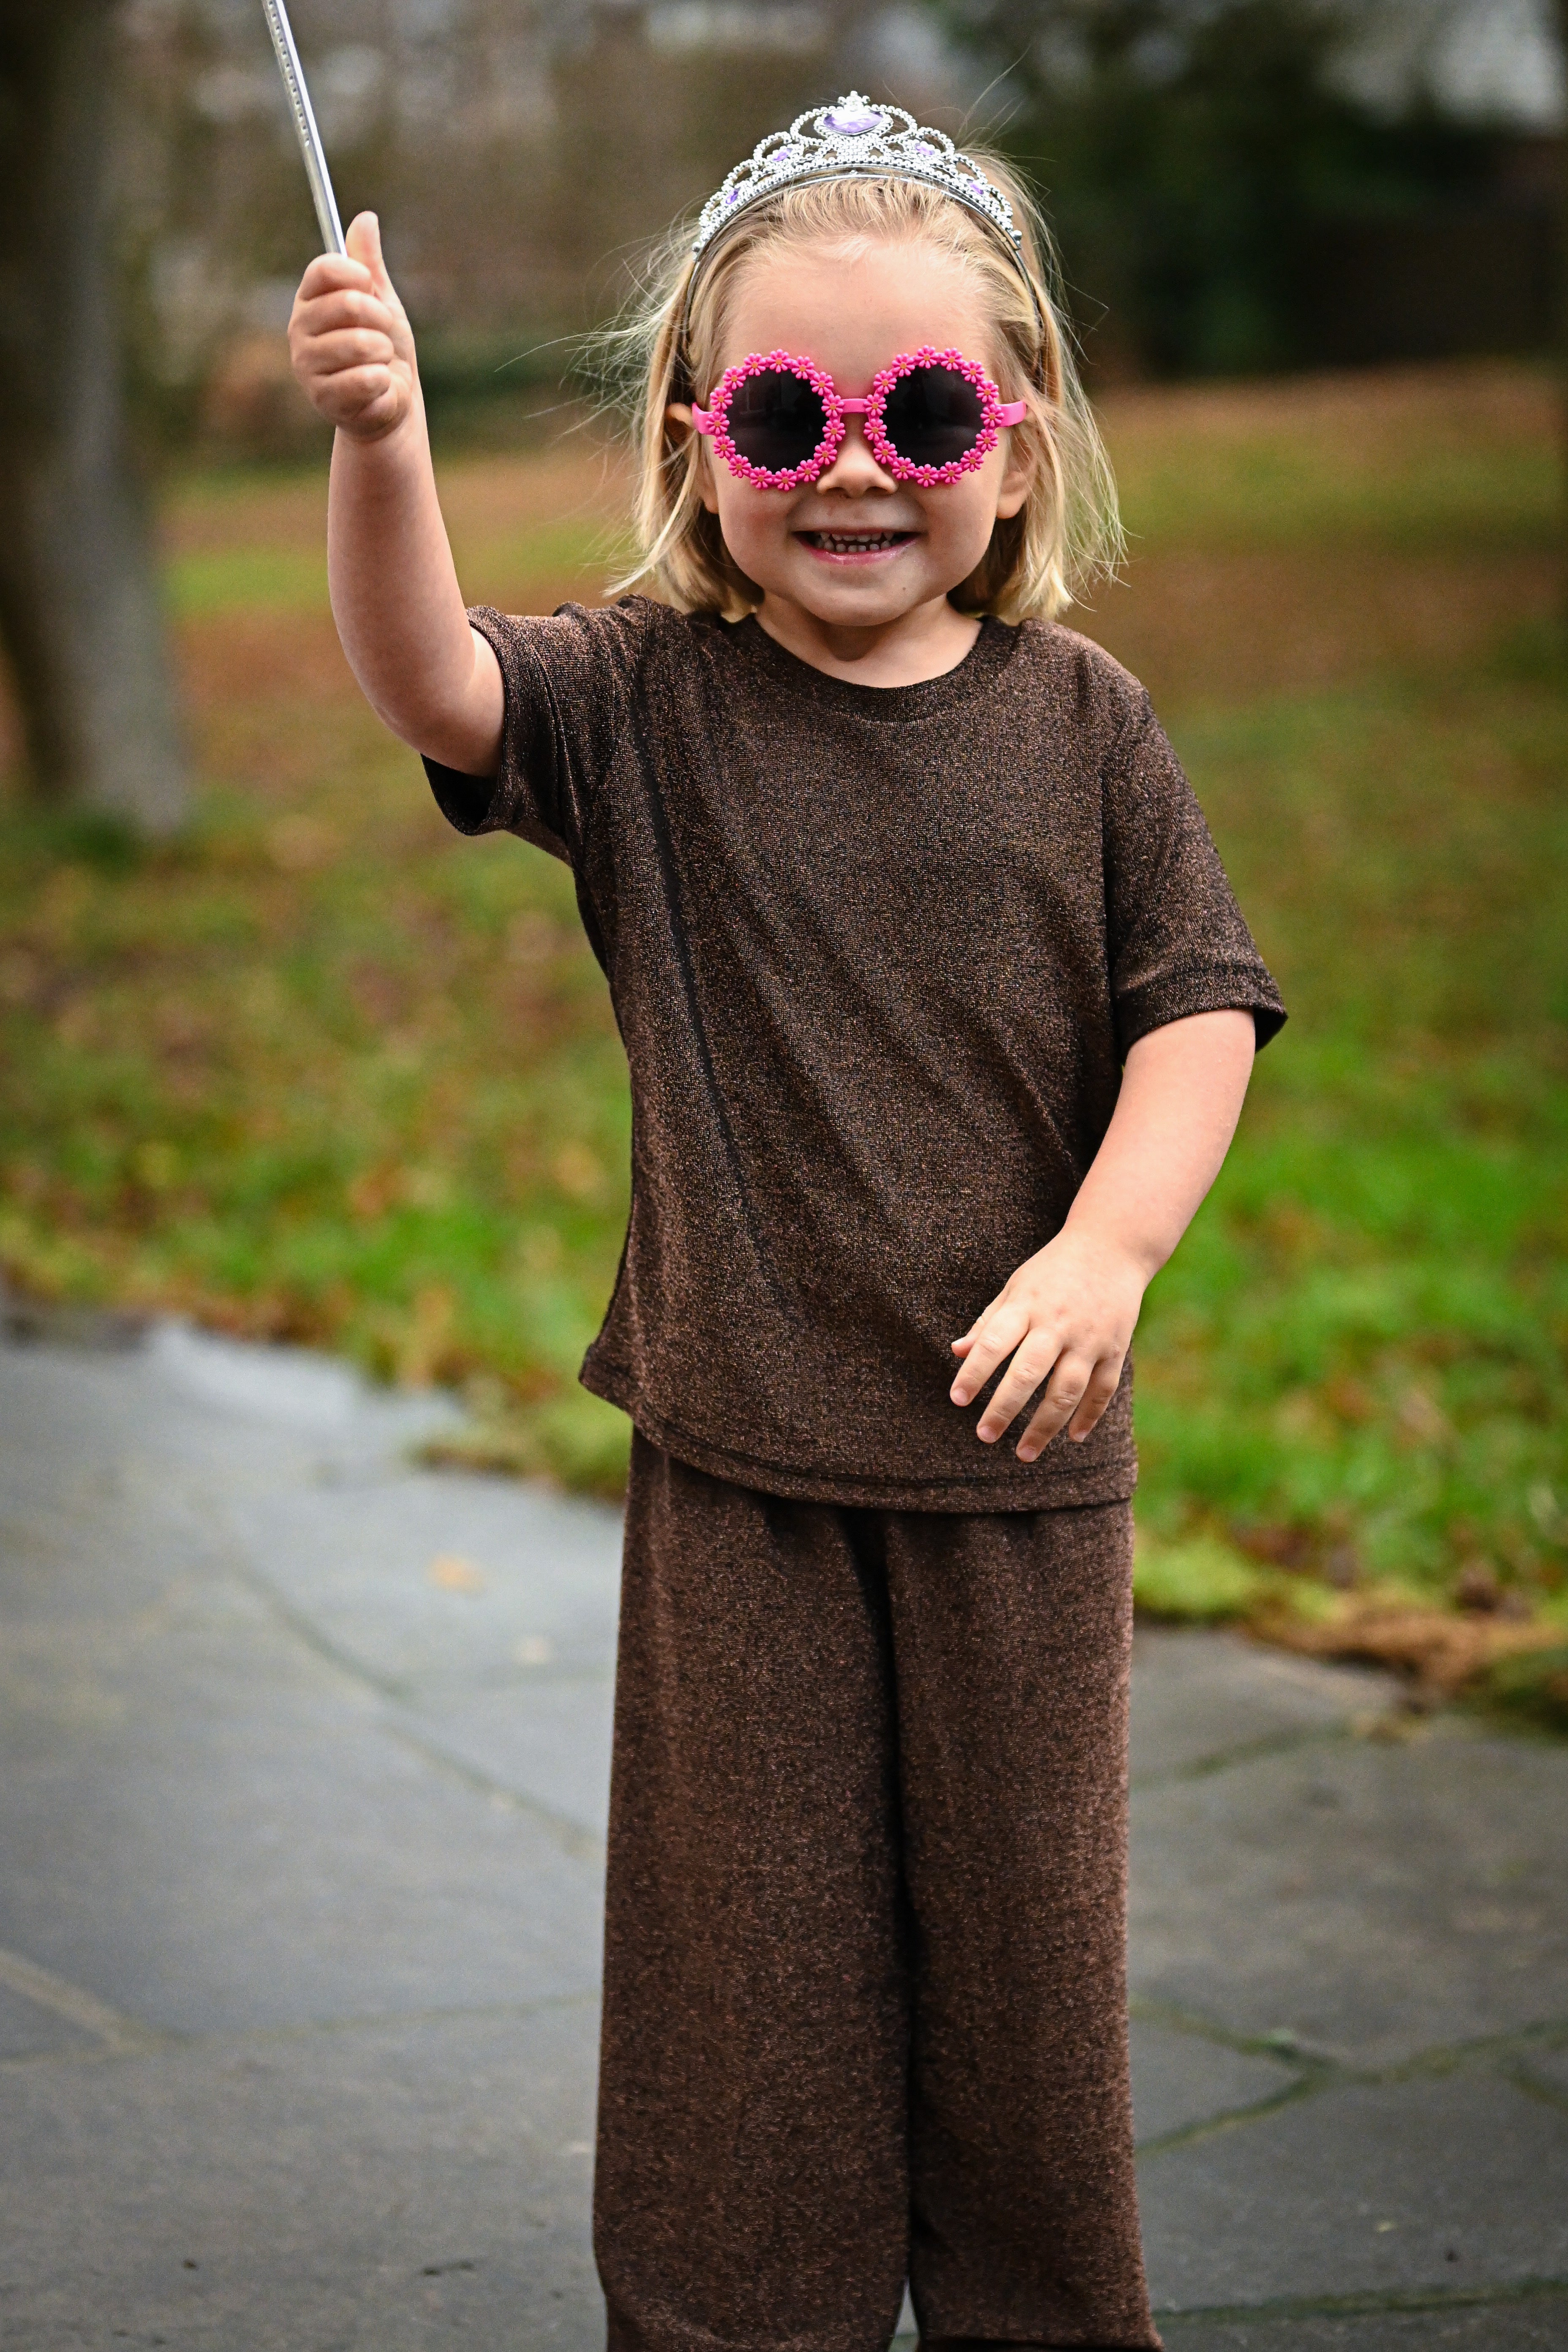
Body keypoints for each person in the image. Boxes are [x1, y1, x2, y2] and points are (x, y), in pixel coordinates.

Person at [289, 96, 1285, 2352]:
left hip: (1019, 1480)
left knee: (1029, 1993)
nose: (851, 468)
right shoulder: (645, 708)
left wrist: (1109, 1253)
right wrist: (382, 443)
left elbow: (1198, 1009)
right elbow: (432, 677)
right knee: (745, 1990)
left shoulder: (1087, 726)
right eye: (780, 415)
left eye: (917, 413)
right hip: (743, 1476)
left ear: (1015, 441)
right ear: (695, 433)